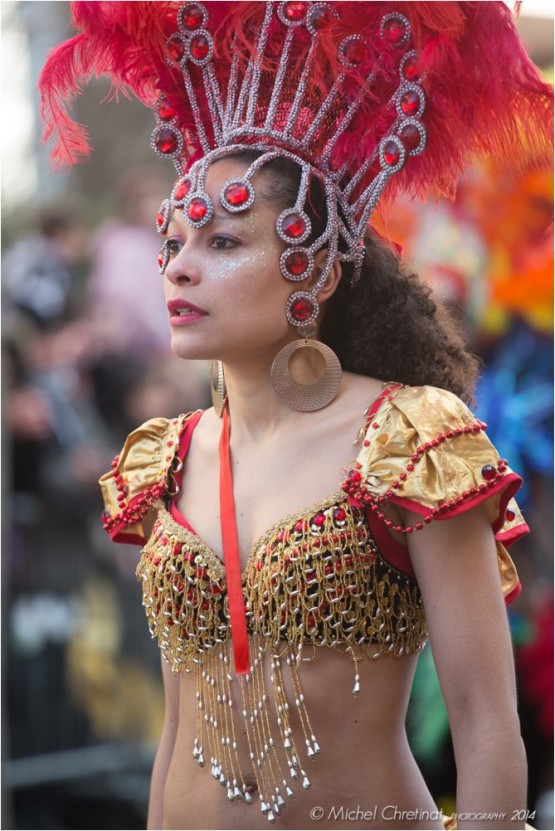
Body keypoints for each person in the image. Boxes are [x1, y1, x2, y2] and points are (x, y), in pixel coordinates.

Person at [39, 2, 553, 829]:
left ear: (309, 265)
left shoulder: (407, 439)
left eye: (225, 243)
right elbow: (175, 730)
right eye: (172, 244)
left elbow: (486, 723)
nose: (181, 270)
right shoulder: (165, 458)